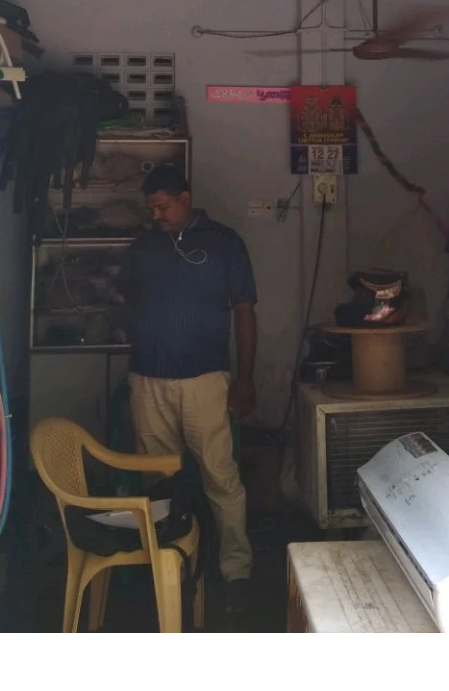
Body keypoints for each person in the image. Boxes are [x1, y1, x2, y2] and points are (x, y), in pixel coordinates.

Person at [118, 164, 258, 619]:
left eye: (163, 206)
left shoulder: (224, 243)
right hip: (148, 380)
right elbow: (127, 301)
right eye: (151, 209)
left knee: (221, 477)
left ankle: (237, 573)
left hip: (205, 380)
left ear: (185, 198)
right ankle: (170, 570)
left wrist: (245, 378)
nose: (156, 215)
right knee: (157, 481)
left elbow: (245, 312)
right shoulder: (143, 248)